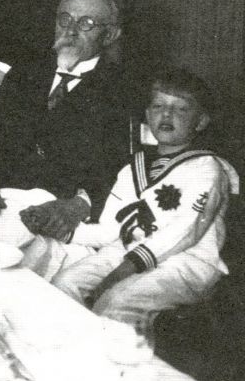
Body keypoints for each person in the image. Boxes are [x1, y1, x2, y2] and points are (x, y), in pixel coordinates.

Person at [0, 0, 132, 279]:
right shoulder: (26, 71)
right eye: (64, 19)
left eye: (86, 24)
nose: (70, 31)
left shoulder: (122, 89)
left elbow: (118, 165)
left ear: (110, 35)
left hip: (57, 215)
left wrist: (80, 204)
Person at [52, 68, 239, 323]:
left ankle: (122, 350)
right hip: (128, 251)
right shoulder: (133, 169)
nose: (167, 114)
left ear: (200, 121)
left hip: (186, 263)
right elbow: (111, 229)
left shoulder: (207, 168)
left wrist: (128, 267)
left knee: (117, 301)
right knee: (64, 284)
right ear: (148, 114)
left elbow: (186, 230)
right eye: (158, 106)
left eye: (181, 109)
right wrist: (64, 231)